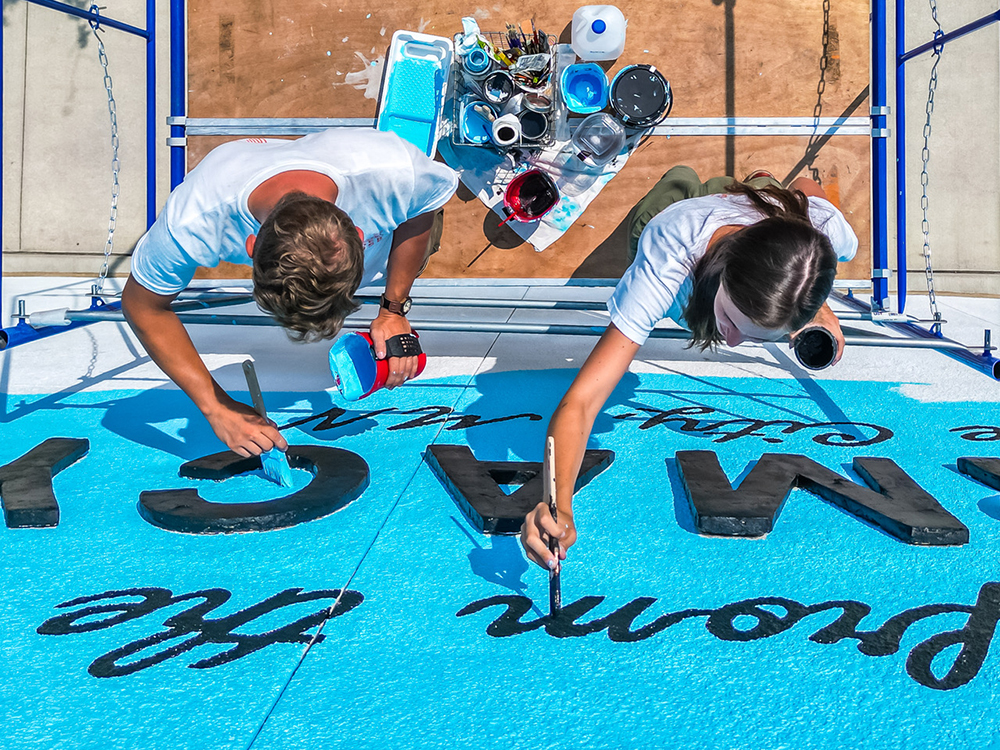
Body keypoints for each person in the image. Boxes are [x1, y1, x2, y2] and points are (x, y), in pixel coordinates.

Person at [519, 165, 859, 571]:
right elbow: (583, 401)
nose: (731, 343)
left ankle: (759, 184)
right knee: (678, 180)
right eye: (732, 320)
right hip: (676, 224)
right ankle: (689, 180)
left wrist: (815, 302)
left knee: (769, 195)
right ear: (722, 270)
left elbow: (804, 186)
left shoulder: (824, 229)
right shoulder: (667, 258)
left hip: (765, 216)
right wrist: (558, 503)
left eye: (756, 336)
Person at [121, 128, 458, 458]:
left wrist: (393, 310)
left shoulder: (395, 171)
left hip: (383, 211)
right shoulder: (194, 220)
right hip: (237, 169)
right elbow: (142, 306)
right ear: (250, 246)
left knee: (421, 216)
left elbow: (421, 209)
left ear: (359, 232)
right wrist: (216, 407)